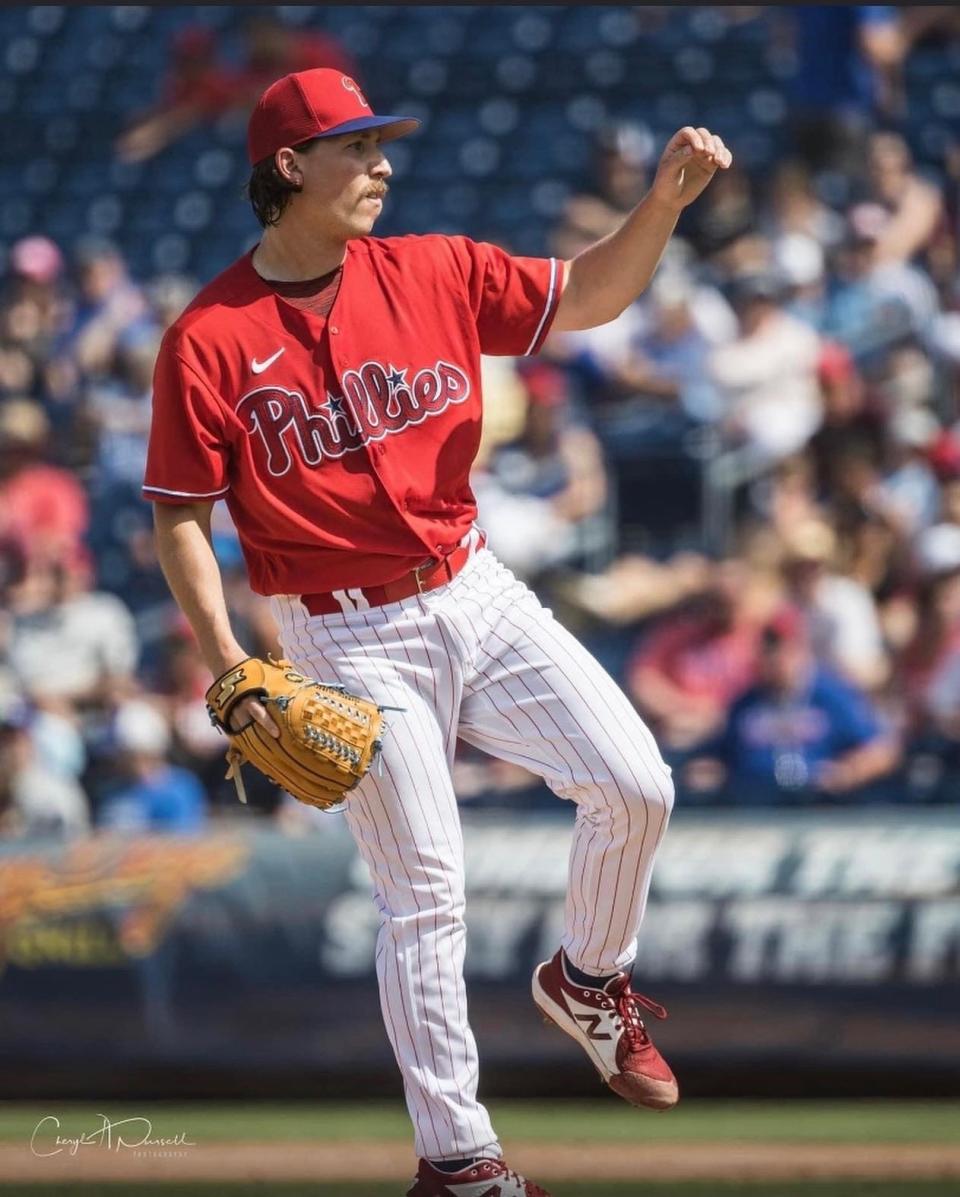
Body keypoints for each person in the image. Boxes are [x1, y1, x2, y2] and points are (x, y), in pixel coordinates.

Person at [143, 68, 732, 1197]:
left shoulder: (435, 268)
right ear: (287, 168)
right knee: (426, 890)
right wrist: (231, 665)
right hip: (340, 634)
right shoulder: (208, 339)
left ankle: (589, 979)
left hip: (474, 586)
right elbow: (180, 519)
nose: (382, 166)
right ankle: (460, 1159)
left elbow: (589, 299)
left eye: (379, 147)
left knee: (637, 784)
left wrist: (660, 204)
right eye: (355, 149)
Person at [690, 605, 899, 802]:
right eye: (769, 649)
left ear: (801, 650)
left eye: (784, 648)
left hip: (819, 808)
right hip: (753, 810)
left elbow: (882, 750)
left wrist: (845, 772)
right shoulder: (746, 701)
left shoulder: (832, 695)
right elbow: (718, 756)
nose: (776, 657)